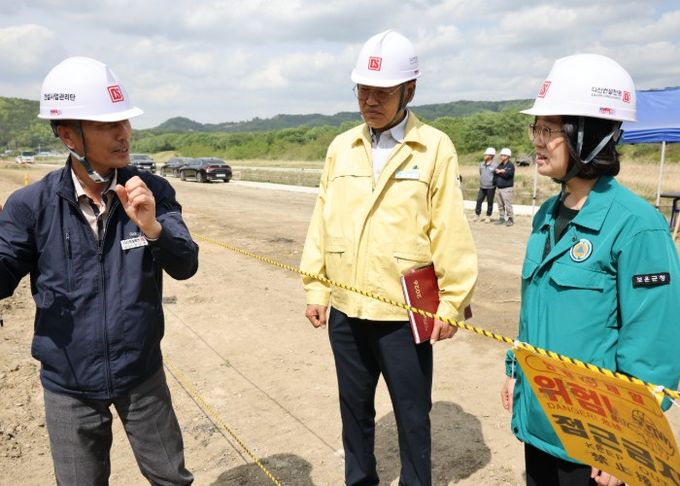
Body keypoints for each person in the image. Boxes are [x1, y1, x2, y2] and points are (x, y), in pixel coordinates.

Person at [0, 57, 198, 485]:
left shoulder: (152, 191)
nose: (124, 133)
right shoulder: (31, 206)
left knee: (171, 479)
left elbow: (186, 264)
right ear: (68, 134)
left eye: (124, 120)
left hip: (141, 375)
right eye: (108, 124)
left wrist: (153, 228)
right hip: (68, 385)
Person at [300, 30, 477, 486]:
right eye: (363, 90)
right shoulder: (341, 147)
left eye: (382, 91)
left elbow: (449, 228)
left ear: (409, 91)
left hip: (404, 314)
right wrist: (316, 287)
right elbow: (322, 219)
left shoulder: (434, 147)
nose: (370, 101)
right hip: (347, 309)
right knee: (354, 412)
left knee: (413, 415)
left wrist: (452, 302)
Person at [500, 53, 680, 486]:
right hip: (539, 421)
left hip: (596, 440)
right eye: (536, 129)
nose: (538, 141)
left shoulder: (637, 226)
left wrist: (627, 440)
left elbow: (652, 347)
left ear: (590, 135)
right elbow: (535, 313)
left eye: (549, 130)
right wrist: (514, 368)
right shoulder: (546, 214)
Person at [474, 147, 498, 222]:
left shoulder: (495, 165)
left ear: (491, 156)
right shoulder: (481, 164)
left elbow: (496, 176)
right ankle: (477, 215)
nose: (484, 156)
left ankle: (488, 216)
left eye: (486, 155)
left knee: (490, 202)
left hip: (491, 187)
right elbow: (481, 173)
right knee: (479, 200)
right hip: (482, 186)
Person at [494, 147, 515, 226]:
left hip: (506, 188)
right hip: (499, 188)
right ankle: (501, 218)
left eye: (503, 155)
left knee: (507, 204)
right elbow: (496, 172)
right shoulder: (500, 165)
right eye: (501, 155)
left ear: (507, 156)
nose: (501, 157)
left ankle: (510, 219)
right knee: (500, 205)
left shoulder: (510, 165)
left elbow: (508, 174)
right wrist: (501, 171)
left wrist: (501, 171)